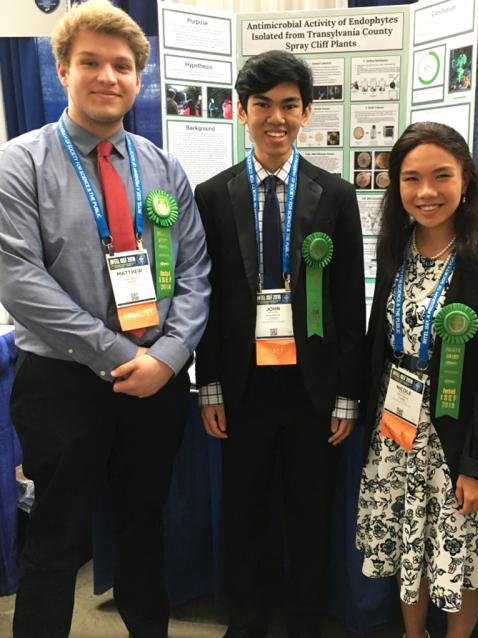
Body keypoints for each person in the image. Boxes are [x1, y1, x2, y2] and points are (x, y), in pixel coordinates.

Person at [0, 2, 210, 637]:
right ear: (63, 70)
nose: (107, 76)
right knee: (56, 544)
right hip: (62, 385)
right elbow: (19, 278)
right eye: (90, 62)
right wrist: (121, 354)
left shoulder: (162, 166)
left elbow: (196, 272)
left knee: (143, 532)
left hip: (155, 385)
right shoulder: (20, 163)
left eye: (122, 65)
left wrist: (169, 358)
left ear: (137, 79)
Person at [195, 50, 365, 638]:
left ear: (307, 113)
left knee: (309, 515)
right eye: (262, 104)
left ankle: (304, 623)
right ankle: (245, 623)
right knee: (242, 514)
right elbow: (207, 300)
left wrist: (346, 392)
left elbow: (349, 303)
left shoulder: (334, 195)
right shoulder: (212, 195)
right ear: (241, 111)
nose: (276, 117)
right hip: (241, 387)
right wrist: (209, 382)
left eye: (289, 105)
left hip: (311, 388)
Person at [356, 121, 478, 638]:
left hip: (458, 439)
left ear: (466, 180)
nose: (426, 192)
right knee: (412, 544)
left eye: (441, 176)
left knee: (462, 550)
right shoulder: (393, 255)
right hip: (397, 435)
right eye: (411, 179)